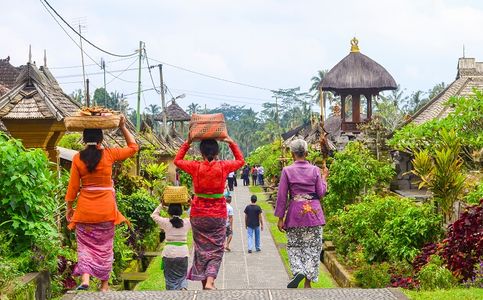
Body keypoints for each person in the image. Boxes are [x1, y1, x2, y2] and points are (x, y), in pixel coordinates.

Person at [65, 116, 138, 292]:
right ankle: (104, 286)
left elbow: (73, 187)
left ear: (83, 139)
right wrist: (122, 127)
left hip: (85, 212)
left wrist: (69, 208)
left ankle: (85, 279)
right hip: (106, 211)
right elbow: (134, 147)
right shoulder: (110, 154)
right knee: (105, 248)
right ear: (101, 139)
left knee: (85, 246)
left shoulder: (77, 158)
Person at [174, 137, 244, 290]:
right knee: (217, 249)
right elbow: (240, 160)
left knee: (201, 249)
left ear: (201, 152)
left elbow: (177, 161)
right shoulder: (223, 166)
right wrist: (231, 142)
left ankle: (206, 283)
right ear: (217, 151)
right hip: (217, 214)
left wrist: (188, 143)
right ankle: (210, 281)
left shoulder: (196, 166)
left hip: (198, 214)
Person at [275, 139, 328, 289]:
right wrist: (324, 179)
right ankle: (307, 283)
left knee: (294, 246)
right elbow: (320, 193)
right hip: (314, 214)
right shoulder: (315, 170)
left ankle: (298, 270)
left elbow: (282, 195)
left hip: (295, 214)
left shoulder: (287, 170)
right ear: (306, 153)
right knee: (313, 248)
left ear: (292, 154)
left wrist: (280, 218)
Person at [151, 204, 191, 290]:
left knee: (170, 279)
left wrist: (161, 205)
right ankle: (183, 288)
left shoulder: (166, 222)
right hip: (183, 253)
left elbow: (154, 215)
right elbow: (195, 215)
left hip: (169, 253)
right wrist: (191, 204)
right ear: (181, 212)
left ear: (169, 212)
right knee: (182, 276)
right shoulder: (187, 222)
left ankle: (172, 295)